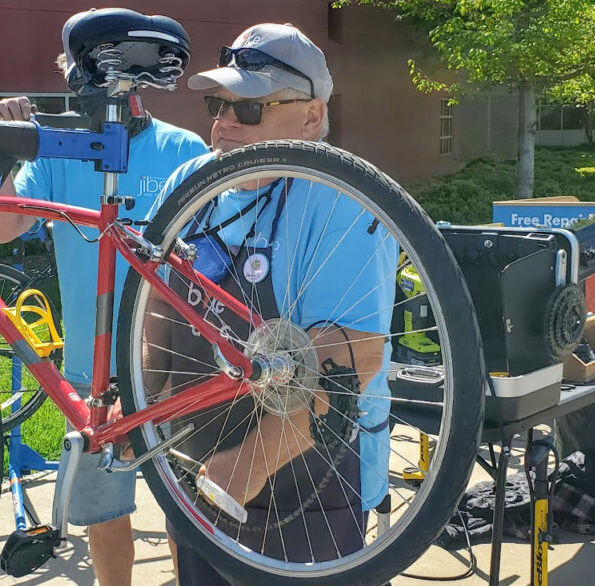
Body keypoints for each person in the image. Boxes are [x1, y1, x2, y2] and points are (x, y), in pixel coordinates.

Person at [143, 22, 397, 584]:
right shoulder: (191, 182)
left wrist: (250, 463)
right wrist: (134, 398)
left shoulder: (340, 197)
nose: (224, 123)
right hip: (199, 467)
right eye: (218, 103)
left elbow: (353, 353)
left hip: (311, 480)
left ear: (312, 115)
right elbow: (158, 305)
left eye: (250, 108)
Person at [0, 8, 208, 586]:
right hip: (89, 375)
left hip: (176, 370)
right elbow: (0, 228)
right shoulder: (60, 151)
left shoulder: (184, 148)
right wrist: (7, 146)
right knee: (105, 517)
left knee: (191, 516)